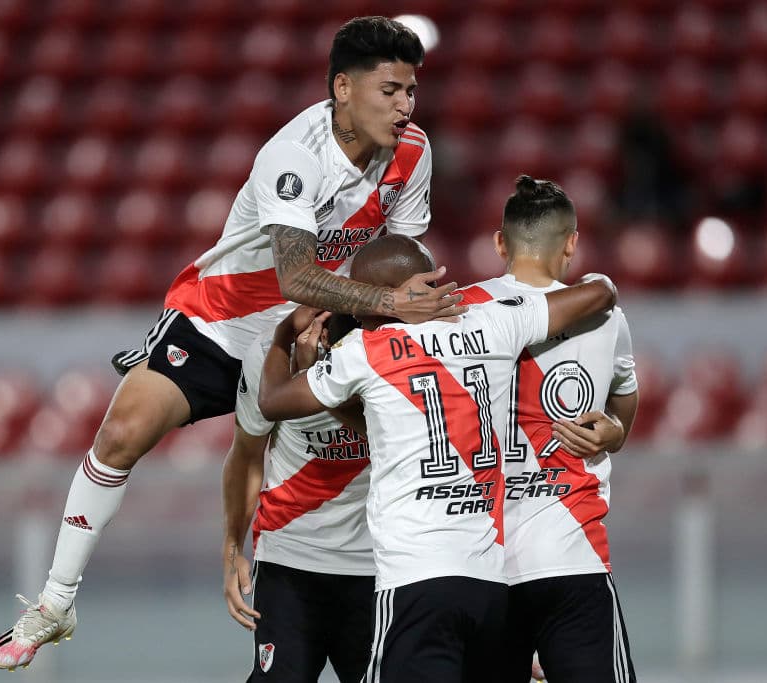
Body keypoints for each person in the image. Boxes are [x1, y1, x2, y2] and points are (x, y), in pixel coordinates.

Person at [0, 16, 466, 671]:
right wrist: (389, 304)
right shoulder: (294, 155)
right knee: (123, 429)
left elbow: (400, 258)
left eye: (411, 91)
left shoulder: (414, 151)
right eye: (390, 91)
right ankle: (56, 600)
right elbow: (297, 271)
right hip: (221, 322)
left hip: (315, 323)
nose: (406, 106)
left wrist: (393, 322)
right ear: (343, 88)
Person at [257, 234, 618, 683]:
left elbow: (271, 401)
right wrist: (602, 278)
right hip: (489, 588)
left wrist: (281, 338)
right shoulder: (491, 322)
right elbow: (599, 294)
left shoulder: (366, 351)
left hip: (415, 583)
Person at [459, 176, 640, 683]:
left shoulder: (457, 313)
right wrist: (615, 433)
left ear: (500, 242)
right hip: (573, 556)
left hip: (479, 561)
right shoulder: (605, 316)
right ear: (571, 243)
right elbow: (624, 395)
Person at [222, 313, 374, 682]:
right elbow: (246, 453)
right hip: (291, 557)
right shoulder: (271, 353)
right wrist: (231, 550)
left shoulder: (402, 349)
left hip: (383, 564)